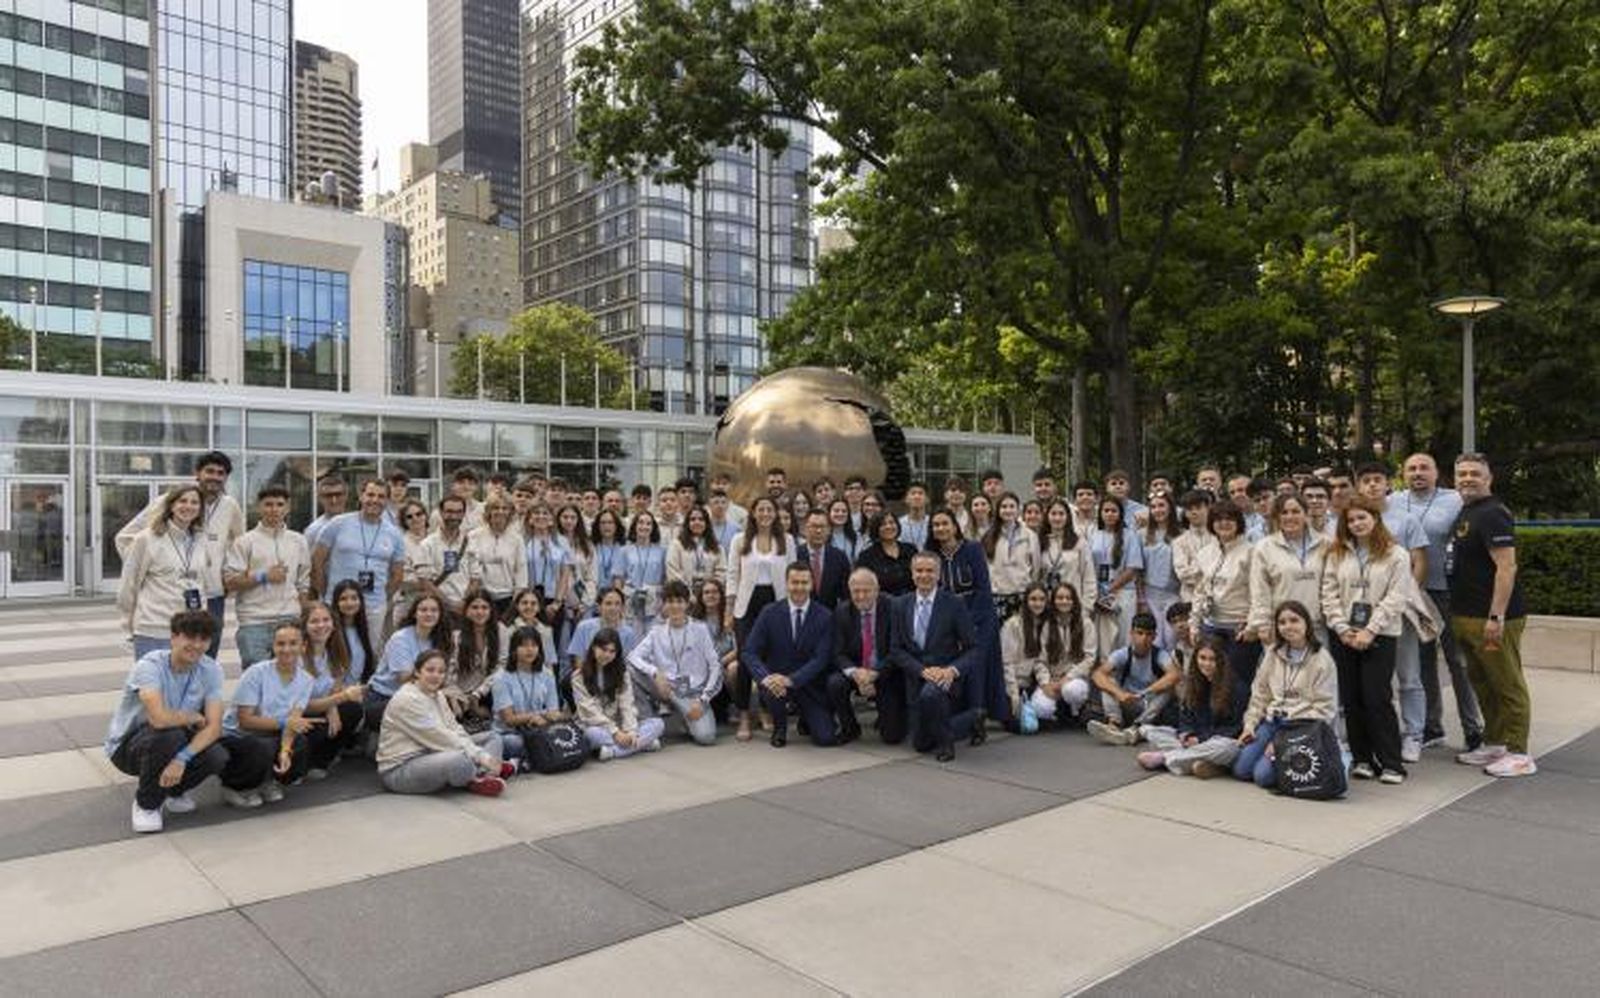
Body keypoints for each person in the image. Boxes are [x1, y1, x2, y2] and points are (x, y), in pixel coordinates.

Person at [104, 610, 255, 833]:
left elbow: (214, 727)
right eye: (190, 637)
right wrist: (192, 716)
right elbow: (158, 719)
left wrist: (182, 759)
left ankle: (173, 791)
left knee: (216, 755)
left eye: (203, 639)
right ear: (174, 637)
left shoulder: (210, 669)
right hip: (130, 747)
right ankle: (147, 805)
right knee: (169, 735)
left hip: (174, 741)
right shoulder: (150, 666)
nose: (196, 645)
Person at [1449, 454, 1536, 777]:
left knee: (1507, 683)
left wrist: (1496, 616)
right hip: (1466, 615)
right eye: (1462, 474)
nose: (1467, 478)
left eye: (1474, 473)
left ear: (1489, 478)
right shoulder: (1468, 510)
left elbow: (1506, 566)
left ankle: (1519, 752)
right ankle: (1496, 742)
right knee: (1483, 683)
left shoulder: (1493, 513)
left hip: (1493, 618)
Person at [116, 450, 244, 657]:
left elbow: (239, 544)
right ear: (198, 473)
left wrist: (229, 575)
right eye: (209, 471)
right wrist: (151, 568)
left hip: (211, 595)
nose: (214, 477)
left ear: (226, 477)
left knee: (204, 659)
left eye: (220, 473)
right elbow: (124, 538)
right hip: (166, 598)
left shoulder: (230, 506)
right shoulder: (168, 500)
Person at [1397, 452, 1484, 752]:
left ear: (1436, 473)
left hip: (1448, 592)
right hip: (1412, 594)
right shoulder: (1394, 501)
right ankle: (1432, 727)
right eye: (1412, 468)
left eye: (1424, 468)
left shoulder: (1455, 499)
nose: (1418, 473)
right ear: (1404, 474)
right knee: (1422, 665)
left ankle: (1474, 729)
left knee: (1458, 662)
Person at [1321, 497, 1410, 783]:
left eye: (1362, 518)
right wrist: (1342, 628)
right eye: (1351, 520)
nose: (1357, 524)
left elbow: (1396, 598)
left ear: (1375, 518)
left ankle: (1392, 762)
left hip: (1380, 634)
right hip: (1344, 636)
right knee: (1351, 698)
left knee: (1377, 697)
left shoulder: (1396, 554)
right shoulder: (1336, 554)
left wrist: (1369, 630)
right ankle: (1362, 759)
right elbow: (1329, 594)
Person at [1357, 461, 1432, 762]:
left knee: (1409, 676)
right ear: (1358, 485)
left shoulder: (1406, 520)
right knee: (1376, 681)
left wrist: (1404, 599)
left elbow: (1420, 562)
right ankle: (1378, 734)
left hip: (1400, 611)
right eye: (1366, 480)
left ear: (1388, 483)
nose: (1372, 485)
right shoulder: (1353, 519)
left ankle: (1413, 734)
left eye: (1378, 479)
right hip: (1364, 614)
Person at [1232, 600, 1340, 787]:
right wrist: (1249, 726)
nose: (1288, 626)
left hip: (1300, 727)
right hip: (1272, 723)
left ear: (1306, 623)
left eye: (1294, 620)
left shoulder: (1322, 659)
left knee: (1262, 777)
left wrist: (1283, 743)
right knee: (1241, 770)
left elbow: (1325, 709)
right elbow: (1260, 695)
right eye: (1282, 622)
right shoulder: (1273, 653)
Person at [377, 649, 510, 795]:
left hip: (433, 752)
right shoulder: (407, 699)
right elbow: (441, 737)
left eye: (441, 671)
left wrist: (478, 754)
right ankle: (480, 774)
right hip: (401, 769)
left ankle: (484, 777)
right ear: (417, 672)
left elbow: (454, 728)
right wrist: (482, 756)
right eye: (430, 670)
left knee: (493, 737)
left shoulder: (438, 694)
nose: (436, 676)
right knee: (460, 760)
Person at [891, 550, 981, 762]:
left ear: (939, 574)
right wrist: (921, 671)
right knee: (921, 745)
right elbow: (896, 649)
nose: (924, 575)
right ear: (912, 574)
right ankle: (973, 717)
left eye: (930, 571)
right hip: (916, 678)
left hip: (945, 676)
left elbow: (973, 648)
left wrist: (951, 670)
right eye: (919, 570)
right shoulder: (900, 605)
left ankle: (946, 743)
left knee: (931, 694)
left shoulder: (953, 604)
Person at [741, 561, 838, 747]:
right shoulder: (769, 612)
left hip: (808, 685)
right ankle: (780, 727)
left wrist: (792, 679)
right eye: (794, 582)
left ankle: (806, 718)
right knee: (773, 689)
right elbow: (749, 651)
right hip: (776, 686)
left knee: (826, 738)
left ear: (812, 584)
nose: (799, 587)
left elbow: (821, 658)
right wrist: (766, 677)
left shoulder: (825, 616)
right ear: (786, 584)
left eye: (804, 582)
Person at [220, 621, 317, 803]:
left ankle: (268, 781)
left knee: (300, 743)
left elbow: (293, 721)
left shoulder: (306, 680)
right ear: (273, 646)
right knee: (263, 747)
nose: (286, 649)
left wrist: (285, 750)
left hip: (270, 733)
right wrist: (284, 724)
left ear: (303, 646)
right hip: (239, 736)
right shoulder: (256, 673)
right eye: (280, 644)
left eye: (293, 643)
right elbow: (245, 721)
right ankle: (234, 787)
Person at [929, 507, 1007, 728]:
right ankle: (960, 718)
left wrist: (968, 625)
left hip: (979, 617)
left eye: (945, 523)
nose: (941, 528)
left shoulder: (972, 549)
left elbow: (983, 588)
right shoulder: (931, 554)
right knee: (953, 667)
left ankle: (979, 717)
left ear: (955, 526)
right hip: (947, 621)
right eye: (936, 525)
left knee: (976, 668)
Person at [117, 485, 215, 661]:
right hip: (154, 627)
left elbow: (202, 584)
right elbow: (129, 584)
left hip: (191, 630)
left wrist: (202, 621)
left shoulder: (201, 540)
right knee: (150, 685)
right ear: (171, 505)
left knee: (185, 686)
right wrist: (128, 625)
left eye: (194, 502)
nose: (188, 506)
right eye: (182, 501)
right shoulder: (147, 538)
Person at [223, 484, 311, 668]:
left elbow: (303, 583)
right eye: (268, 504)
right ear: (259, 507)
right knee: (256, 682)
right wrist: (264, 576)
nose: (274, 509)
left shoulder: (298, 541)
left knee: (289, 679)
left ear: (287, 508)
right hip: (254, 622)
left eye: (280, 504)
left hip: (290, 620)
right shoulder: (244, 542)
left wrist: (304, 615)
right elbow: (230, 582)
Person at [311, 479, 407, 644]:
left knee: (369, 654)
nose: (375, 500)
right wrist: (327, 592)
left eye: (381, 496)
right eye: (370, 494)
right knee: (334, 651)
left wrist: (381, 597)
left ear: (386, 501)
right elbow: (316, 562)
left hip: (373, 608)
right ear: (361, 496)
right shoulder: (337, 524)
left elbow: (397, 574)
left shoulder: (394, 534)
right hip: (337, 604)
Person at [628, 580, 723, 745]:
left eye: (679, 601)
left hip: (693, 692)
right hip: (667, 688)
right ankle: (649, 721)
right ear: (664, 604)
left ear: (687, 604)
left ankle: (682, 715)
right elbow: (633, 657)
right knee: (631, 671)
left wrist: (703, 699)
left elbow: (715, 666)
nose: (675, 606)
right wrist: (656, 673)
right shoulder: (656, 631)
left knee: (706, 737)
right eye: (670, 601)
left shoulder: (700, 629)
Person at [1187, 499, 1260, 712]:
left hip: (1239, 628)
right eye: (1218, 520)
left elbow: (1259, 593)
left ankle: (1239, 728)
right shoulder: (1206, 553)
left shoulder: (1251, 552)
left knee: (1238, 682)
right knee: (1210, 678)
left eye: (1229, 519)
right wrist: (1194, 624)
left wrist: (1251, 625)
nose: (1224, 524)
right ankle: (1213, 725)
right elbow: (1200, 592)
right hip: (1211, 625)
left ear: (1239, 522)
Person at [1136, 638, 1242, 778]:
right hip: (1196, 740)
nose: (1206, 664)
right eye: (1202, 658)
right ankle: (1204, 764)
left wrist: (1201, 739)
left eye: (1212, 659)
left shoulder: (1235, 687)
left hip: (1218, 741)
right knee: (1148, 730)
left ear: (1221, 661)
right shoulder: (1193, 682)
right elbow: (1185, 717)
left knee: (1228, 748)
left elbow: (1234, 728)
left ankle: (1166, 758)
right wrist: (1186, 734)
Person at [827, 568, 904, 745]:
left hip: (886, 672)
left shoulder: (894, 607)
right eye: (856, 591)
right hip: (858, 670)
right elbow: (838, 653)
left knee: (892, 737)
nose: (861, 596)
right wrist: (857, 674)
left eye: (866, 590)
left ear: (877, 590)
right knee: (834, 683)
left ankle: (892, 717)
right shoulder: (842, 611)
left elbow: (898, 650)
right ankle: (850, 727)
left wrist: (875, 674)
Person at [1247, 492, 1329, 647]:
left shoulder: (1325, 544)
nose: (1290, 517)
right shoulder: (1264, 548)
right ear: (1277, 517)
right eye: (1284, 512)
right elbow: (1259, 591)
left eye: (1296, 511)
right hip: (1281, 628)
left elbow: (1332, 587)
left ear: (1306, 514)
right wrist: (1262, 623)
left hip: (1317, 627)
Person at [1086, 613, 1180, 744]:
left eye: (1148, 634)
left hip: (1148, 706)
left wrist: (1147, 692)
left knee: (1169, 688)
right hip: (1126, 702)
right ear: (1131, 633)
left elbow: (1174, 675)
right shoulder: (1122, 654)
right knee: (1108, 681)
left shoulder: (1160, 655)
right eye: (1139, 633)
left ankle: (1137, 728)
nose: (1143, 638)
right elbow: (1097, 674)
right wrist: (1120, 694)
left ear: (1154, 637)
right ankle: (1114, 725)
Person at [365, 594, 453, 730]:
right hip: (385, 698)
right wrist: (440, 692)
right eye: (423, 610)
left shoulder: (439, 639)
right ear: (414, 614)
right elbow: (404, 679)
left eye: (434, 610)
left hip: (418, 696)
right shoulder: (401, 638)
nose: (429, 614)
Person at [574, 628, 664, 759]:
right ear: (594, 648)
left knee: (658, 724)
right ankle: (644, 744)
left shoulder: (622, 673)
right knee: (591, 734)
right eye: (603, 649)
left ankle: (613, 751)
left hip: (620, 724)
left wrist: (631, 731)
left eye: (612, 651)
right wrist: (615, 732)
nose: (607, 655)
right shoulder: (578, 676)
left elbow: (627, 704)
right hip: (595, 726)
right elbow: (589, 712)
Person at [300, 600, 365, 777]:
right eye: (314, 621)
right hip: (296, 713)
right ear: (304, 626)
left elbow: (334, 687)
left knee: (352, 710)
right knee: (320, 726)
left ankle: (319, 761)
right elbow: (301, 705)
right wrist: (338, 700)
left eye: (326, 620)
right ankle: (299, 763)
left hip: (320, 706)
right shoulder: (298, 655)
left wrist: (333, 706)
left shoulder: (335, 651)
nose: (321, 625)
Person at [492, 626, 566, 770]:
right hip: (510, 732)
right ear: (514, 649)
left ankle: (521, 762)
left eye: (534, 645)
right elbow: (509, 719)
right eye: (524, 645)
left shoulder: (547, 674)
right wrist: (535, 716)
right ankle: (529, 760)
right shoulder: (501, 677)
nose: (530, 650)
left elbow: (553, 712)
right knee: (515, 742)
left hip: (540, 730)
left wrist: (549, 717)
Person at [1038, 499, 1098, 663]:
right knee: (1049, 648)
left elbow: (1089, 576)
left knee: (1074, 650)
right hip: (1047, 604)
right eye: (1053, 514)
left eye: (1061, 514)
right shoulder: (1040, 541)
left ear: (1068, 517)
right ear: (1047, 516)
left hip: (1073, 604)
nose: (1057, 518)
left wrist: (1087, 606)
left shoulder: (1079, 542)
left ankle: (1074, 684)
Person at [1091, 496, 1144, 659]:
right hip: (1100, 594)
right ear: (1100, 513)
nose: (1110, 514)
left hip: (1123, 592)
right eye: (1106, 510)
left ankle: (1124, 674)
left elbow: (1133, 568)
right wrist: (1099, 590)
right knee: (1104, 640)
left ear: (1120, 514)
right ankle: (1105, 676)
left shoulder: (1130, 536)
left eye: (1114, 511)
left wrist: (1111, 588)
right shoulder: (1094, 534)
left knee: (1123, 637)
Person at [447, 592, 505, 728]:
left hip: (487, 692)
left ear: (491, 610)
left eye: (484, 607)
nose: (480, 612)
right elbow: (450, 671)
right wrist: (461, 697)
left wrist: (478, 694)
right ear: (466, 611)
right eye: (474, 607)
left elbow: (502, 666)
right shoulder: (456, 637)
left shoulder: (500, 631)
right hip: (461, 693)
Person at [466, 495, 528, 619]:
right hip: (481, 598)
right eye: (496, 508)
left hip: (507, 598)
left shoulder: (516, 539)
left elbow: (521, 570)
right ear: (488, 511)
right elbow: (470, 566)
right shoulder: (474, 536)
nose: (500, 511)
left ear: (510, 512)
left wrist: (516, 601)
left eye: (505, 508)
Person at [983, 492, 1039, 623]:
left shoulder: (1029, 535)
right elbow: (986, 566)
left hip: (1022, 594)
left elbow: (1036, 567)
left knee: (1022, 636)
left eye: (1011, 506)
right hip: (998, 595)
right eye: (1004, 506)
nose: (1008, 510)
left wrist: (1028, 585)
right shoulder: (989, 536)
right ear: (998, 510)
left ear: (1018, 509)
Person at [1139, 492, 1183, 649]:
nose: (1157, 510)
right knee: (1155, 639)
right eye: (1153, 507)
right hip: (1150, 594)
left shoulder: (1181, 535)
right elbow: (1138, 569)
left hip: (1174, 594)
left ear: (1170, 508)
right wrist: (1141, 599)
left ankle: (1176, 670)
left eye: (1161, 505)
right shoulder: (1142, 535)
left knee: (1172, 637)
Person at [619, 509, 667, 635]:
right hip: (631, 600)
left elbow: (665, 578)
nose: (644, 526)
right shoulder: (624, 550)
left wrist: (664, 602)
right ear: (634, 526)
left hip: (654, 600)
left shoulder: (662, 551)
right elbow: (618, 579)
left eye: (648, 523)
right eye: (640, 523)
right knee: (632, 639)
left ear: (653, 528)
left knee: (654, 639)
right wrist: (620, 602)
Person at [390, 498, 433, 632]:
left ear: (425, 515)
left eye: (419, 514)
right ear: (404, 522)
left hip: (433, 604)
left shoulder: (435, 540)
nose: (415, 518)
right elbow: (401, 578)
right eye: (409, 517)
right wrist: (428, 583)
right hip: (407, 603)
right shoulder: (400, 544)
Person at [796, 509, 852, 608]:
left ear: (829, 530)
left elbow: (846, 595)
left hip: (831, 616)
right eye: (814, 526)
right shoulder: (795, 555)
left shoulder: (839, 557)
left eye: (822, 527)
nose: (818, 531)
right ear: (805, 529)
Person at [666, 505, 727, 592]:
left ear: (707, 523)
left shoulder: (717, 547)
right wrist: (687, 592)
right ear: (687, 523)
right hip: (683, 595)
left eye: (701, 519)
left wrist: (709, 591)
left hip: (709, 596)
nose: (697, 522)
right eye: (693, 519)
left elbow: (721, 572)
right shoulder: (677, 545)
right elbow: (673, 571)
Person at [1172, 489, 1217, 603]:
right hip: (1190, 599)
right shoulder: (1179, 542)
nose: (1194, 512)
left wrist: (1195, 567)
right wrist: (1209, 571)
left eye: (1198, 507)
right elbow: (1183, 574)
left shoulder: (1220, 537)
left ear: (1208, 508)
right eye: (1189, 509)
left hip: (1219, 597)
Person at [856, 511, 915, 597]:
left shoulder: (910, 550)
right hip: (883, 604)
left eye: (892, 523)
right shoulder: (867, 556)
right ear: (876, 528)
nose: (888, 527)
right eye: (883, 524)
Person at [329, 579, 375, 684]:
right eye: (343, 599)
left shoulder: (363, 629)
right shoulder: (331, 632)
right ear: (336, 603)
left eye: (354, 598)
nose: (349, 603)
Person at [303, 474, 349, 551]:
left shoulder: (358, 524)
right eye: (328, 496)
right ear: (320, 498)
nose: (334, 500)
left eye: (338, 495)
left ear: (346, 496)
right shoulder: (313, 531)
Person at [590, 507, 627, 595]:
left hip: (617, 595)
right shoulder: (591, 547)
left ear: (616, 525)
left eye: (610, 522)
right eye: (603, 523)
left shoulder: (624, 548)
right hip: (593, 595)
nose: (607, 526)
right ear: (597, 526)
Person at [898, 480, 931, 550]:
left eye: (920, 493)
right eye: (913, 493)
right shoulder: (898, 524)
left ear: (927, 499)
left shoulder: (933, 522)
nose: (917, 496)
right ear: (906, 499)